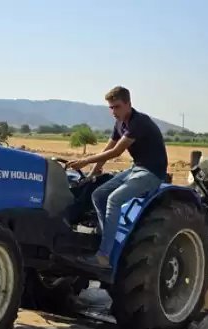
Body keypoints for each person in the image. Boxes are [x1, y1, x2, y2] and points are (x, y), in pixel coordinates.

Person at [65, 86, 169, 269]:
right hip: (136, 168)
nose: (113, 111)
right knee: (97, 195)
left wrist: (85, 161)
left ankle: (104, 255)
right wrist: (91, 174)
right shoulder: (119, 123)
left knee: (114, 199)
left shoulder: (139, 122)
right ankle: (106, 241)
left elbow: (116, 152)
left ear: (128, 104)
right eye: (111, 107)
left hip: (152, 172)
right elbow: (107, 149)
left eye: (117, 106)